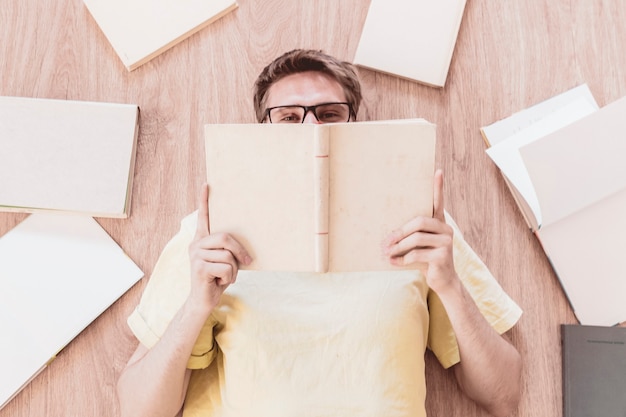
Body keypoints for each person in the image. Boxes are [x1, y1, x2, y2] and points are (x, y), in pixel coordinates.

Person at [117, 49, 523, 417]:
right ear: (262, 132)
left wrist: (449, 284)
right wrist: (196, 306)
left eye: (329, 114)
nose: (311, 128)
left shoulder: (420, 225)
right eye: (289, 118)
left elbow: (502, 396)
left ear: (356, 126)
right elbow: (139, 411)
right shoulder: (209, 234)